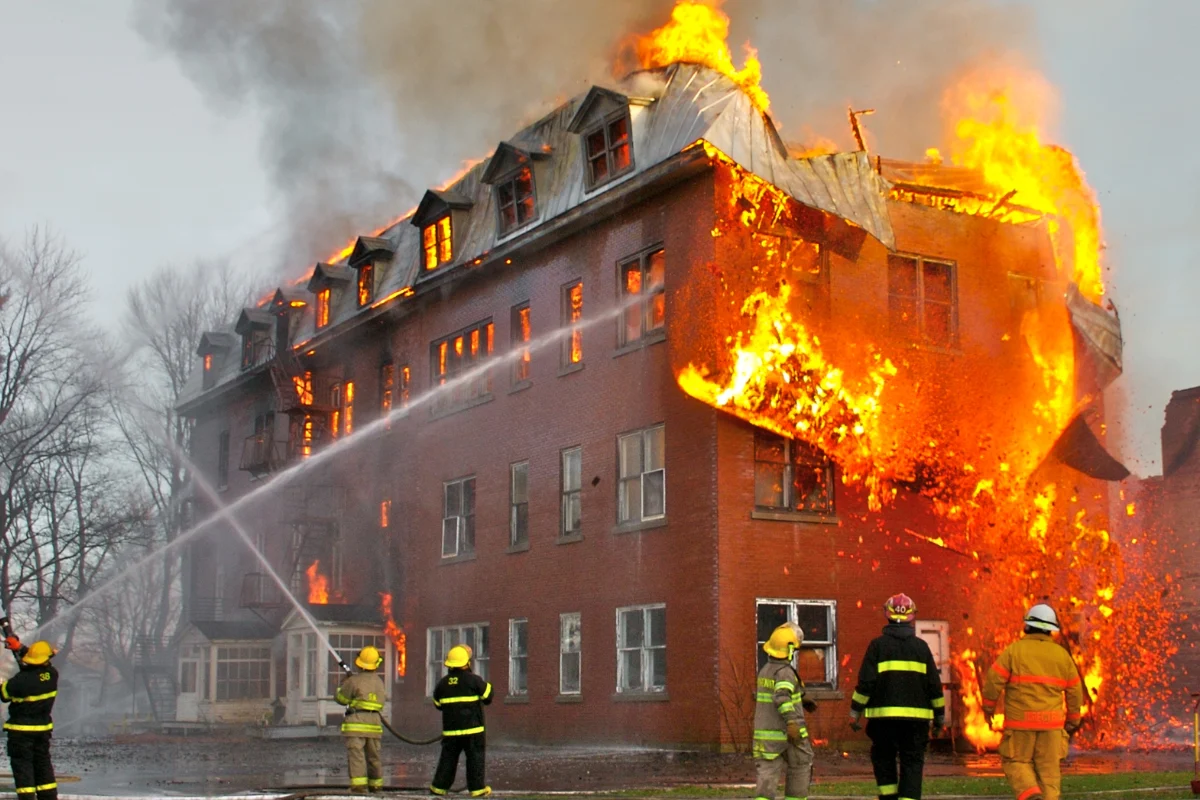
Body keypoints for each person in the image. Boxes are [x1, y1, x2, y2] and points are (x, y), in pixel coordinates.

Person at [981, 604, 1084, 800]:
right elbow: (1075, 691)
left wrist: (988, 708)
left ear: (1027, 626)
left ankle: (1030, 794)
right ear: (1051, 630)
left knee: (1016, 762)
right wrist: (1073, 720)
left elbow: (993, 681)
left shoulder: (1014, 651)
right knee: (1049, 773)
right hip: (1052, 727)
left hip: (1021, 725)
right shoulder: (1062, 655)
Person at [849, 593, 944, 800]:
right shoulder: (921, 648)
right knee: (912, 763)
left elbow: (866, 683)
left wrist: (855, 712)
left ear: (887, 614)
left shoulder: (877, 646)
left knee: (884, 759)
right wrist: (939, 718)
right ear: (912, 616)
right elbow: (934, 686)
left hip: (883, 721)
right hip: (916, 723)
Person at [753, 623, 817, 800]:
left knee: (767, 777)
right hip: (789, 734)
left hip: (766, 737)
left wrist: (801, 697)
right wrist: (791, 722)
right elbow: (781, 696)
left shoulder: (765, 671)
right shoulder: (785, 672)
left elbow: (779, 690)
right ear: (789, 651)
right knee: (801, 766)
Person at [0, 634, 60, 800]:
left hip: (20, 733)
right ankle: (48, 797)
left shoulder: (21, 681)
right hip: (42, 731)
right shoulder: (52, 674)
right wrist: (19, 648)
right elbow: (36, 663)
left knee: (23, 766)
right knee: (43, 764)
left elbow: (4, 694)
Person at [430, 645, 492, 798]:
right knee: (475, 759)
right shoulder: (473, 680)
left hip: (451, 732)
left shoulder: (442, 684)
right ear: (467, 663)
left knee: (448, 760)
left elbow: (438, 704)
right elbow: (488, 697)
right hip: (473, 731)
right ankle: (477, 789)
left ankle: (438, 788)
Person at [335, 645, 387, 794]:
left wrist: (342, 684)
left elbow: (341, 699)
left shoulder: (353, 681)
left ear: (360, 663)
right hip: (374, 724)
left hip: (356, 723)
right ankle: (375, 786)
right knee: (373, 757)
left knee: (357, 756)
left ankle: (358, 788)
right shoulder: (379, 682)